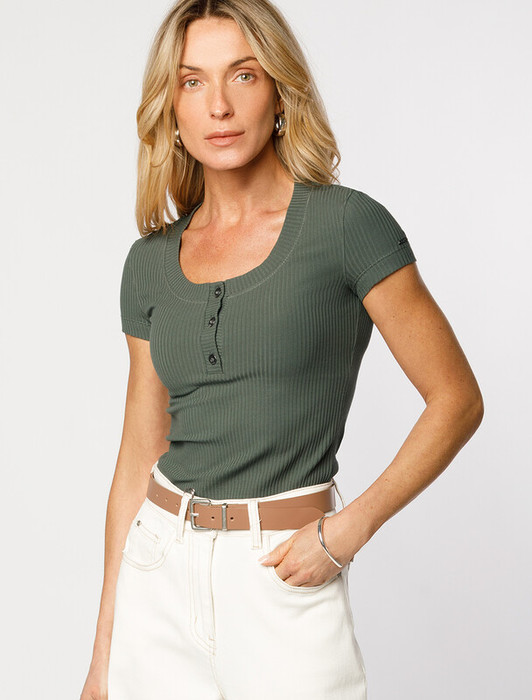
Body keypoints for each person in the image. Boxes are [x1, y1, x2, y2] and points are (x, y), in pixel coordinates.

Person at [80, 1, 484, 698]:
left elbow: (457, 400)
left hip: (281, 573)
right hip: (157, 575)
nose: (220, 105)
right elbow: (138, 453)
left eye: (243, 74)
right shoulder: (148, 263)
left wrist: (347, 530)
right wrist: (103, 656)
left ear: (278, 90)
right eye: (193, 81)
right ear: (171, 108)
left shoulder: (346, 226)